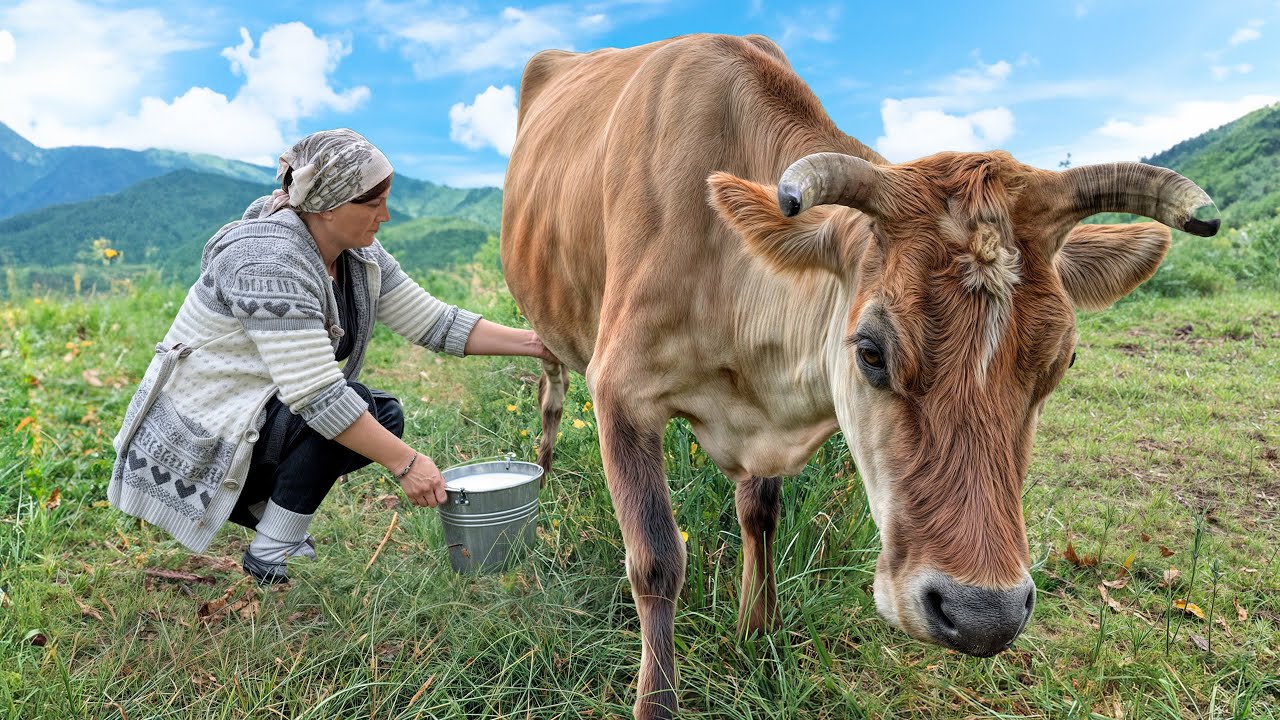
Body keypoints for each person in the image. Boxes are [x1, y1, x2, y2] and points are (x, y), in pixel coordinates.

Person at [108, 128, 556, 584]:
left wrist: (542, 343)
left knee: (382, 413)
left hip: (256, 414)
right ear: (325, 205)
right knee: (349, 408)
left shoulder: (357, 254)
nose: (384, 215)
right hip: (202, 433)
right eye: (370, 203)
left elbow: (433, 322)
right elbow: (318, 395)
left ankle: (268, 517)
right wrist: (407, 463)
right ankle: (271, 551)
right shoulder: (266, 262)